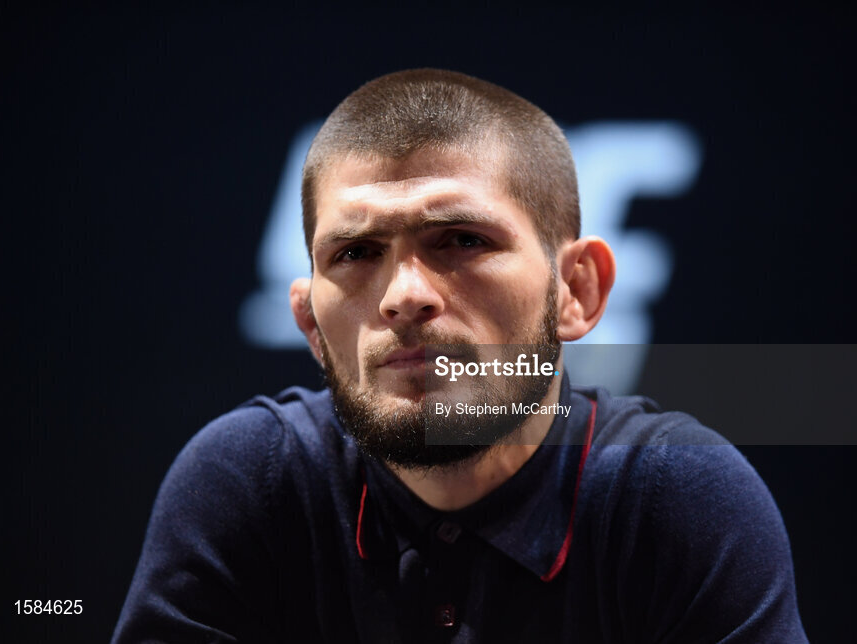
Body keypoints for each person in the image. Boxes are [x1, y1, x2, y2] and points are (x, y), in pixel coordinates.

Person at [113, 69, 807, 643]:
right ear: (310, 324)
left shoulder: (678, 499)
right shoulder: (249, 485)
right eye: (356, 253)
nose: (404, 297)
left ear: (577, 289)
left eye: (461, 240)